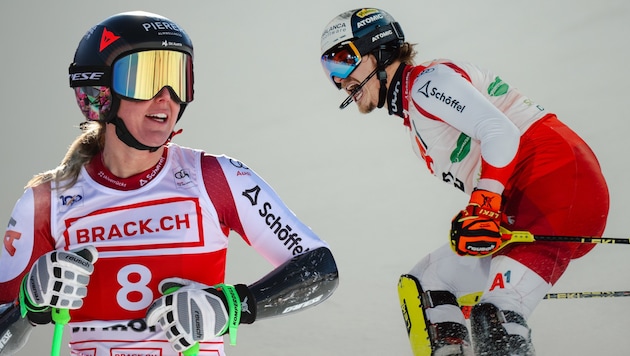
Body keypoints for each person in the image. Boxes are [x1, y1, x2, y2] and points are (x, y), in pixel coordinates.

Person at [0, 10, 338, 356]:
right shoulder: (46, 200)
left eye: (178, 78)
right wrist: (26, 306)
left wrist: (229, 306)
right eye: (144, 79)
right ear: (99, 92)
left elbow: (321, 269)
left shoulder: (216, 178)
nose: (166, 97)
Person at [319, 8, 608, 356]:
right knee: (426, 286)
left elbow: (501, 132)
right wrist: (484, 212)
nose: (339, 80)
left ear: (379, 49)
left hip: (556, 180)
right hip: (529, 194)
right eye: (329, 69)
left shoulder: (427, 84)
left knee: (496, 317)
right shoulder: (415, 107)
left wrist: (483, 207)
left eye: (343, 59)